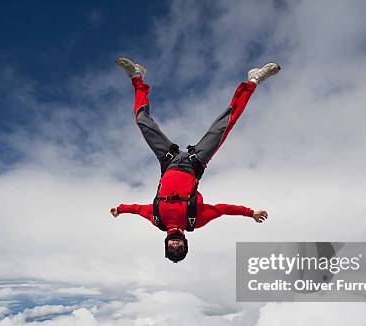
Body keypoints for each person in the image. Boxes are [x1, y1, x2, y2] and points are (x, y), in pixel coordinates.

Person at [111, 57, 280, 262]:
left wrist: (120, 209)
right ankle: (254, 80)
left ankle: (137, 77)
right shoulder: (195, 221)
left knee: (142, 121)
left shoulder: (157, 219)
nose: (175, 245)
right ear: (185, 244)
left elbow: (137, 209)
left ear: (166, 244)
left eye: (171, 248)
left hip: (169, 161)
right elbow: (222, 210)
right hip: (195, 163)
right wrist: (250, 213)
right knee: (225, 124)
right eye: (179, 248)